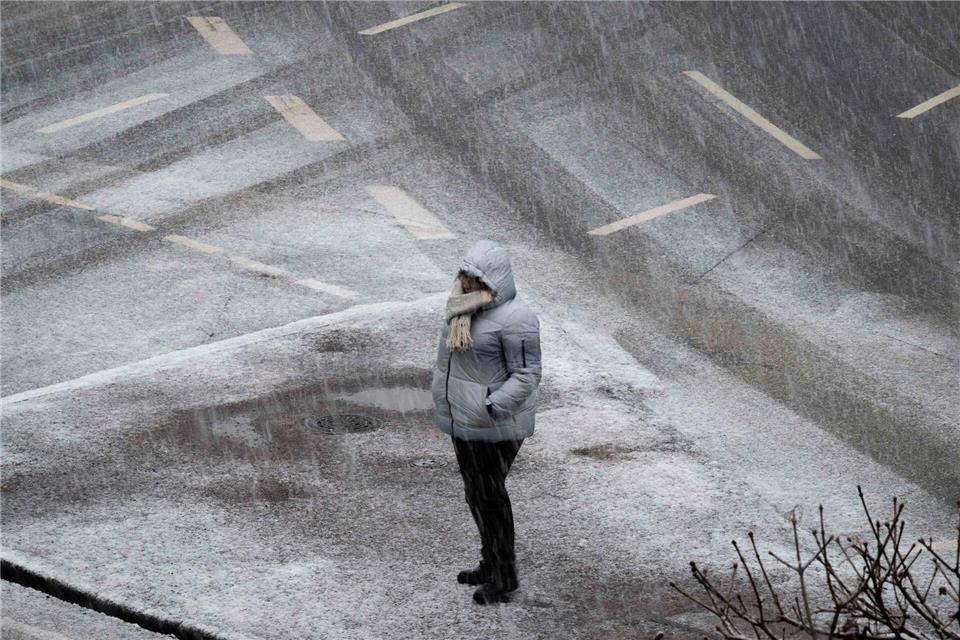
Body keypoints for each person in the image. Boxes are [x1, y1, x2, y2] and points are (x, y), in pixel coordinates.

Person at [430, 239, 542, 605]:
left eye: (476, 278)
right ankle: (490, 563)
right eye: (464, 274)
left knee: (491, 497)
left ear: (494, 280)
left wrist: (490, 407)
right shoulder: (460, 308)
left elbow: (526, 375)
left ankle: (504, 576)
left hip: (495, 425)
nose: (466, 283)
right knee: (476, 495)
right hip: (465, 420)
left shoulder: (516, 319)